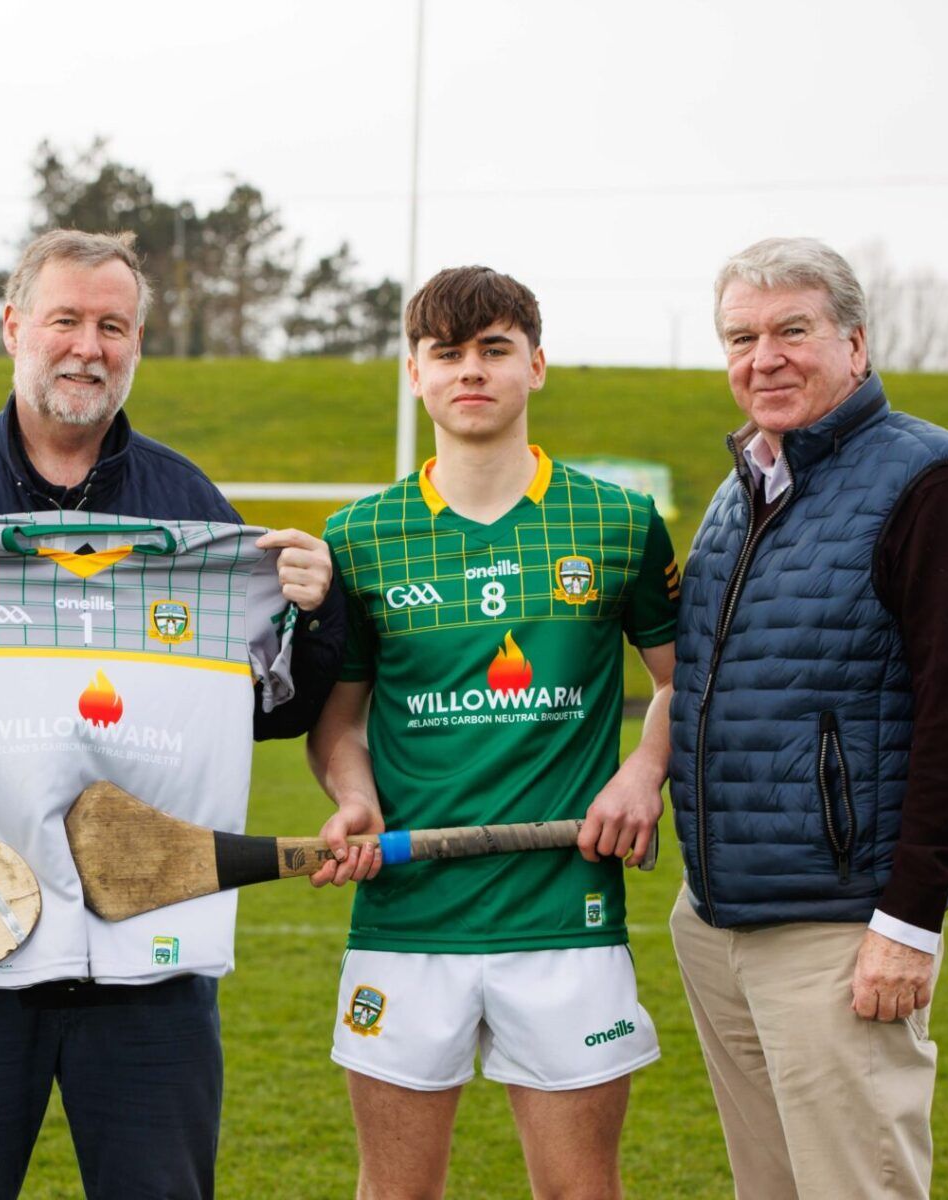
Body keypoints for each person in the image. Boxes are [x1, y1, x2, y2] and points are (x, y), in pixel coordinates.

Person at [0, 228, 345, 1200]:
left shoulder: (192, 509)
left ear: (136, 345)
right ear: (13, 326)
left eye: (113, 326)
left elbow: (254, 714)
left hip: (148, 957)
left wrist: (316, 613)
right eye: (67, 319)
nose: (89, 346)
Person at [308, 265, 678, 1198]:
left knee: (579, 1191)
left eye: (494, 350)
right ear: (415, 375)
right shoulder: (358, 537)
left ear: (537, 366)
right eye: (447, 353)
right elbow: (338, 723)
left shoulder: (619, 521)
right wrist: (353, 798)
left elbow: (682, 685)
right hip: (406, 915)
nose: (470, 371)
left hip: (566, 917)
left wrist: (643, 772)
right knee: (396, 1192)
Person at [667, 237, 948, 1199]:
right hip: (720, 921)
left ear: (855, 345)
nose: (762, 356)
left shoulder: (926, 480)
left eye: (792, 331)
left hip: (840, 928)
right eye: (741, 336)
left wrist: (910, 920)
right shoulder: (741, 495)